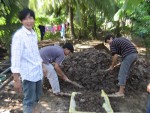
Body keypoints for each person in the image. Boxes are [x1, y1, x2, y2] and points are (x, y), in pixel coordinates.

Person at [11, 8, 46, 113]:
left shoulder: (33, 34)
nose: (29, 21)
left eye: (31, 18)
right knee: (29, 101)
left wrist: (43, 66)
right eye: (25, 19)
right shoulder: (19, 36)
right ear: (21, 21)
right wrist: (16, 80)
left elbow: (36, 52)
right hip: (29, 75)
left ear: (34, 19)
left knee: (37, 97)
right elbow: (15, 58)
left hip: (38, 72)